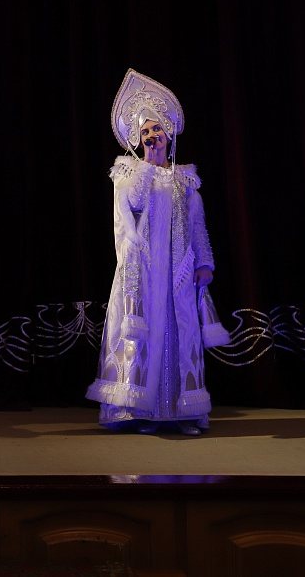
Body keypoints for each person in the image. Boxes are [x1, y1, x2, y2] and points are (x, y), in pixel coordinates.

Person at [86, 68, 226, 436]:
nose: (153, 136)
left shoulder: (184, 179)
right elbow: (131, 207)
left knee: (179, 337)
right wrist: (147, 167)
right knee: (144, 338)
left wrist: (205, 262)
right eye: (146, 131)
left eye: (157, 129)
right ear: (139, 138)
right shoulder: (129, 173)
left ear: (168, 132)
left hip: (178, 271)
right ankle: (140, 412)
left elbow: (196, 225)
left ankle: (179, 413)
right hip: (144, 271)